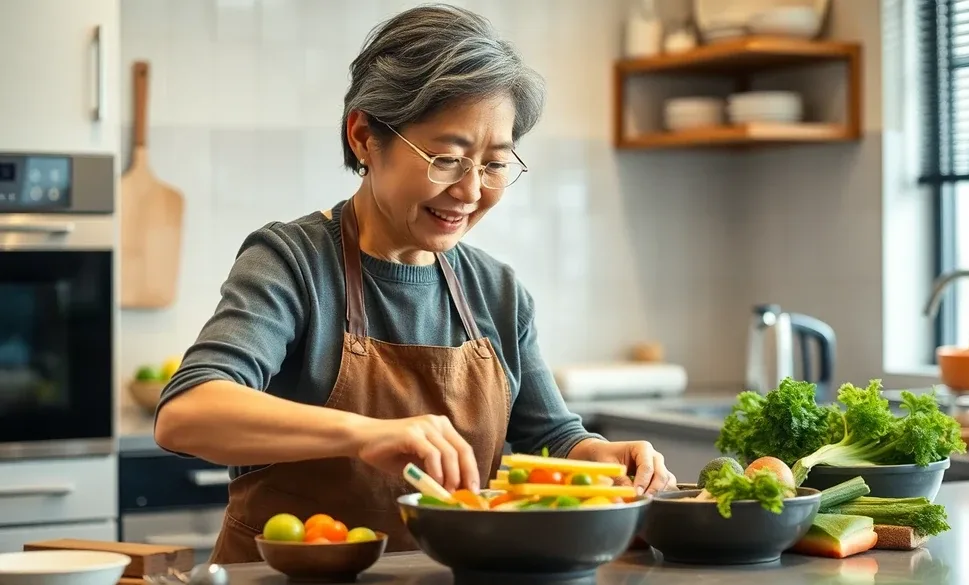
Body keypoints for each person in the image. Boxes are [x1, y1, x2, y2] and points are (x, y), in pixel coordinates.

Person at [153, 3, 677, 563]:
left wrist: (599, 456)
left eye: (495, 164)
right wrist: (365, 433)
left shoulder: (497, 293)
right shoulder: (293, 262)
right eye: (448, 159)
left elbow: (552, 437)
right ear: (363, 137)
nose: (471, 191)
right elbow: (186, 413)